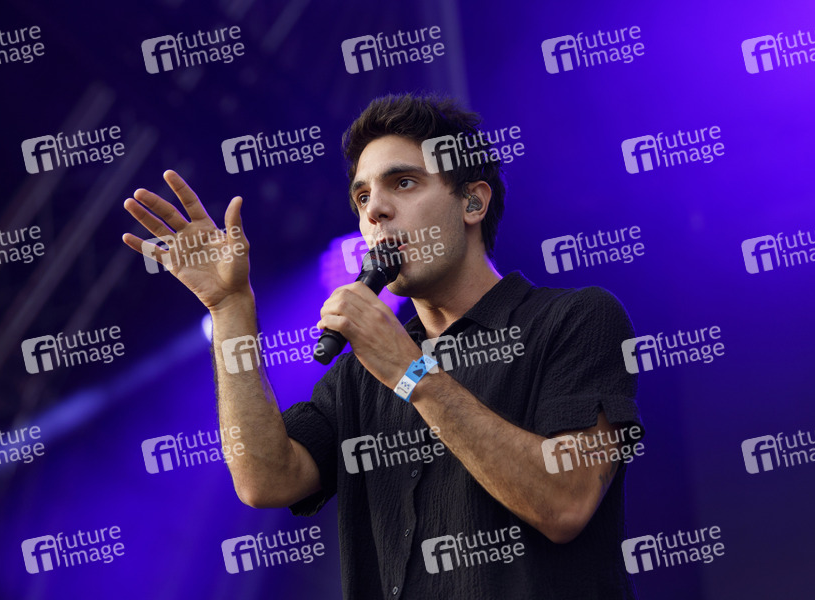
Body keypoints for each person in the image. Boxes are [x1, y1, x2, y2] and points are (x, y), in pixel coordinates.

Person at [122, 93, 644, 599]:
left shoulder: (576, 319)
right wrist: (230, 308)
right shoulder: (359, 373)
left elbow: (566, 503)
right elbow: (265, 480)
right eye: (362, 197)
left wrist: (410, 372)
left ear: (472, 201)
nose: (375, 210)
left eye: (404, 182)